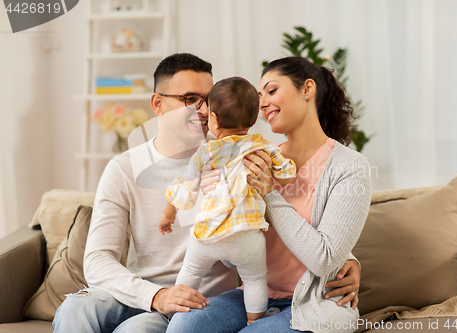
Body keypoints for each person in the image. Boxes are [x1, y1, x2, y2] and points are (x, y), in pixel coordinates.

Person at [52, 53, 362, 333]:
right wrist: (156, 296)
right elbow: (97, 261)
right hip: (138, 290)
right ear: (158, 104)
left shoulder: (234, 156)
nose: (202, 110)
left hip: (197, 298)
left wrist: (345, 260)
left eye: (207, 100)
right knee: (75, 306)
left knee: (136, 331)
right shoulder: (124, 168)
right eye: (190, 99)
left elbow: (294, 212)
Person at [166, 57, 371, 333]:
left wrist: (270, 194)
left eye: (271, 91)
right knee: (183, 328)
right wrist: (216, 201)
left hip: (314, 301)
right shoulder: (255, 156)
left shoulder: (349, 166)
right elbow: (230, 257)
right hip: (255, 293)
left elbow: (324, 259)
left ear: (307, 89)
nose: (262, 103)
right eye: (259, 95)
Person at [159, 76, 296, 324]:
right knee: (254, 279)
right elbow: (286, 173)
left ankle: (174, 313)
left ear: (213, 118)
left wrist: (167, 216)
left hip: (208, 234)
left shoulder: (205, 152)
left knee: (190, 271)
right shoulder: (261, 146)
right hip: (246, 233)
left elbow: (184, 189)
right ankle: (255, 321)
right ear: (254, 120)